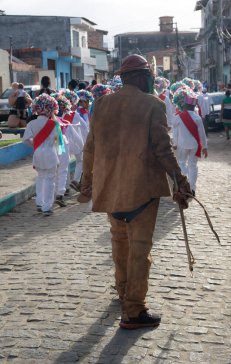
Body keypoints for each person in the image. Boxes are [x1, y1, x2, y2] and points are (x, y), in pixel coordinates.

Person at [77, 54, 191, 329]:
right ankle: (134, 310)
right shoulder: (152, 104)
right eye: (149, 76)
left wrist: (87, 185)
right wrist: (181, 183)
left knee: (119, 243)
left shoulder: (102, 104)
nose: (152, 80)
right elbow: (163, 150)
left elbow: (90, 148)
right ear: (140, 77)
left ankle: (123, 290)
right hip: (142, 190)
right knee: (139, 250)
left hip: (111, 191)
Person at [22, 94, 61, 216]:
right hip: (50, 153)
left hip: (38, 153)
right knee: (50, 179)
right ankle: (47, 207)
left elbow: (25, 140)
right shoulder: (54, 124)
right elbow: (59, 142)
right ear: (51, 108)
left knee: (40, 178)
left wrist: (35, 145)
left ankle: (39, 202)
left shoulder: (31, 124)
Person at [172, 87, 208, 197]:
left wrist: (175, 144)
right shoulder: (197, 118)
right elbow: (202, 134)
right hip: (195, 145)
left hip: (182, 145)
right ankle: (192, 188)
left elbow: (175, 132)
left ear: (184, 105)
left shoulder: (178, 117)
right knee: (193, 165)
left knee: (182, 163)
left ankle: (186, 182)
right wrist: (204, 147)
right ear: (194, 106)